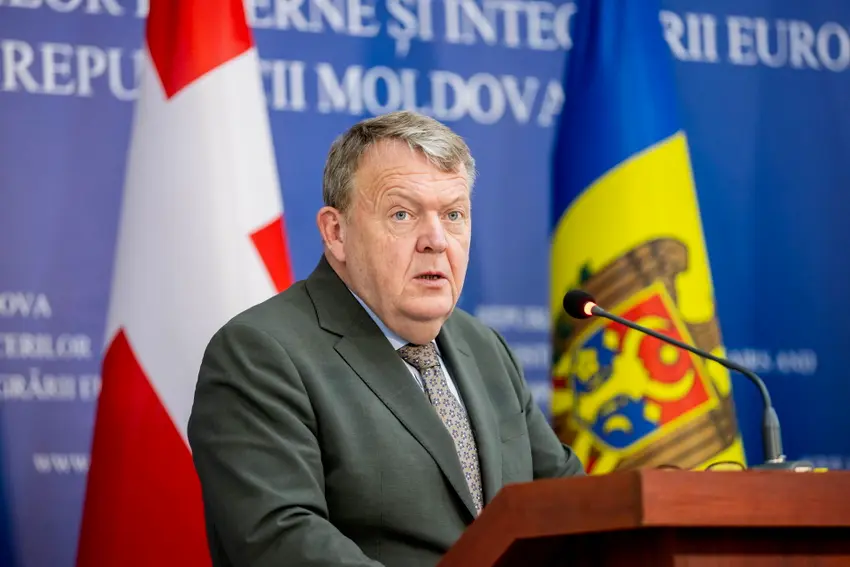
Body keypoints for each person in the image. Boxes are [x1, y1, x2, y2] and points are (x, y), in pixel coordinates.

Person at [187, 110, 584, 567]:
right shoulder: (260, 354)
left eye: (453, 214)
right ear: (336, 233)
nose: (436, 240)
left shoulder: (483, 347)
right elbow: (283, 540)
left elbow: (570, 503)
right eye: (402, 214)